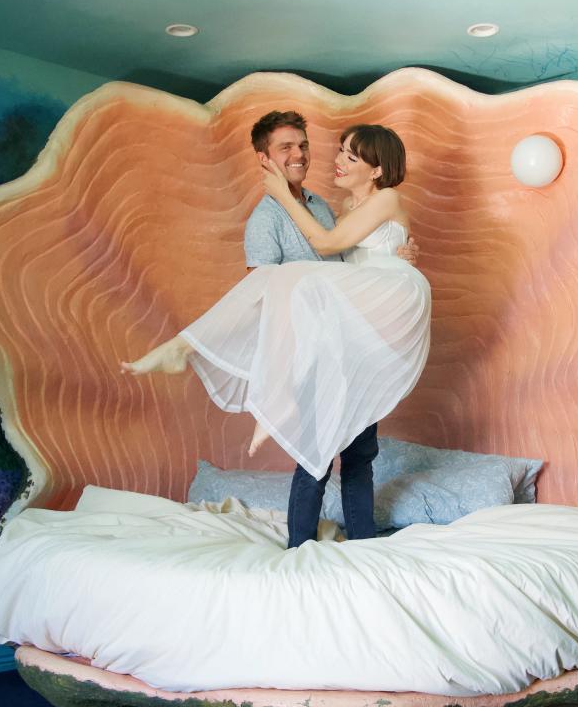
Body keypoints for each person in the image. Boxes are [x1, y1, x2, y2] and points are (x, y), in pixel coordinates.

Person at [121, 122, 431, 547]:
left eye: (349, 156)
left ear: (377, 171)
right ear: (266, 158)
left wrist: (402, 254)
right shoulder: (292, 215)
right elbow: (267, 289)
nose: (336, 160)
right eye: (339, 151)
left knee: (356, 452)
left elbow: (330, 249)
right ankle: (301, 544)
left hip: (366, 331)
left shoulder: (344, 206)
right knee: (327, 452)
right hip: (334, 341)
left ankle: (361, 544)